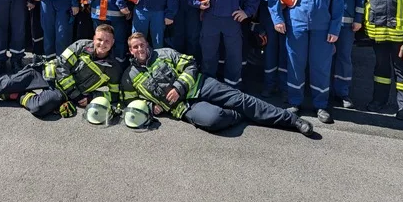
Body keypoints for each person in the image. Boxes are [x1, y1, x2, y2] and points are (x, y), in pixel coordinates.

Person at [120, 33, 313, 136]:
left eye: (142, 45)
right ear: (130, 51)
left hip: (200, 85)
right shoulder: (129, 76)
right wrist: (149, 107)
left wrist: (179, 87)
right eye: (135, 47)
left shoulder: (165, 53)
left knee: (240, 99)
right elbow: (129, 101)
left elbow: (190, 65)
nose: (140, 49)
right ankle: (240, 115)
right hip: (184, 107)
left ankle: (291, 121)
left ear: (147, 45)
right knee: (213, 120)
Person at [0, 25, 122, 118]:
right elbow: (61, 66)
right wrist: (75, 95)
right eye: (99, 39)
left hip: (61, 92)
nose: (102, 44)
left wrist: (90, 99)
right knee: (5, 83)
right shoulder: (81, 45)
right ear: (94, 38)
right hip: (46, 73)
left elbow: (114, 95)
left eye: (107, 41)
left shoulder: (113, 68)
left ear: (113, 43)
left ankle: (17, 97)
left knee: (39, 108)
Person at [270, 0, 343, 124]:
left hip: (323, 28)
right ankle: (295, 102)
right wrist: (277, 18)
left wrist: (335, 29)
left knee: (321, 67)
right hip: (297, 25)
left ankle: (321, 105)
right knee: (296, 65)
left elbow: (338, 1)